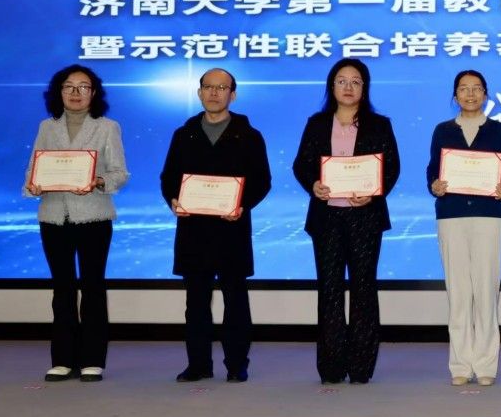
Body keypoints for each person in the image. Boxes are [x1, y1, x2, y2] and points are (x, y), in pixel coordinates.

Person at [159, 68, 272, 383]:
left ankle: (237, 364)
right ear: (199, 93)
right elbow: (169, 177)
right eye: (208, 87)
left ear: (232, 95)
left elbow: (262, 180)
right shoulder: (184, 134)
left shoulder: (249, 135)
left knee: (236, 299)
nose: (214, 92)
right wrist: (173, 200)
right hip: (193, 230)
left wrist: (242, 205)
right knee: (196, 301)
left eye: (221, 88)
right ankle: (198, 364)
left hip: (232, 229)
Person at [293, 58, 401, 385]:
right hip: (327, 218)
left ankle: (361, 367)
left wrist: (373, 193)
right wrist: (313, 184)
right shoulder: (316, 123)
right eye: (342, 81)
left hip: (365, 218)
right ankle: (331, 367)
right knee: (329, 290)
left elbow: (391, 167)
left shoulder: (379, 125)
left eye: (356, 81)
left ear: (364, 88)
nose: (349, 87)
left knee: (364, 289)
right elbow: (302, 165)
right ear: (332, 86)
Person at [24, 64, 129, 383]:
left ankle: (92, 360)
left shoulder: (107, 127)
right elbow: (33, 170)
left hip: (94, 216)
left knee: (93, 287)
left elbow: (119, 173)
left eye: (83, 87)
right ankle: (62, 359)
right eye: (69, 86)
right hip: (54, 217)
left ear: (93, 93)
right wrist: (33, 186)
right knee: (62, 289)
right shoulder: (46, 127)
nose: (75, 93)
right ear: (58, 92)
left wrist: (99, 181)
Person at [426, 69, 501, 387]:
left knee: (486, 289)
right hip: (451, 215)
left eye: (476, 88)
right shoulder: (442, 130)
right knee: (459, 292)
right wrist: (435, 184)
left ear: (485, 94)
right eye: (463, 89)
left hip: (487, 215)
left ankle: (486, 364)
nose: (470, 94)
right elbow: (432, 169)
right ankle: (461, 365)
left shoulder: (498, 130)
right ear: (455, 96)